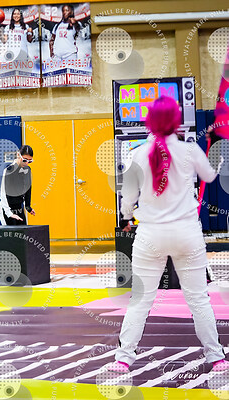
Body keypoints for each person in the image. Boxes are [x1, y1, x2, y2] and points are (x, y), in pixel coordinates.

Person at [108, 96, 228, 373]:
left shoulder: (138, 154)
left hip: (150, 236)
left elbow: (128, 198)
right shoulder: (189, 150)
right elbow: (210, 176)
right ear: (176, 122)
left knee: (140, 300)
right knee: (199, 300)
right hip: (187, 235)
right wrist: (214, 149)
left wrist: (126, 218)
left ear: (149, 121)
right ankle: (216, 357)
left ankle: (123, 358)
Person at [0, 145, 36, 225]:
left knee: (24, 232)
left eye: (30, 161)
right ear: (18, 155)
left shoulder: (27, 170)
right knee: (11, 233)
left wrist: (28, 206)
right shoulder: (9, 170)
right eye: (24, 160)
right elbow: (3, 193)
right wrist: (9, 213)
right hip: (7, 208)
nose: (27, 163)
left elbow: (28, 189)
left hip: (19, 208)